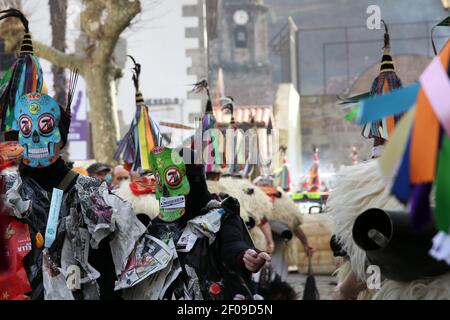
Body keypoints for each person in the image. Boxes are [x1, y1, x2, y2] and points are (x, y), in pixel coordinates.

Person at [2, 92, 146, 300]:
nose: (34, 137)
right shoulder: (7, 191)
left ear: (61, 136)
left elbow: (113, 269)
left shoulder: (91, 193)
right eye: (25, 126)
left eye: (45, 126)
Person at [122, 148, 271, 300]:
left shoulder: (221, 216)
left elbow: (232, 244)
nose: (174, 195)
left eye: (177, 184)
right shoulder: (159, 224)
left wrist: (245, 256)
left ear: (193, 182)